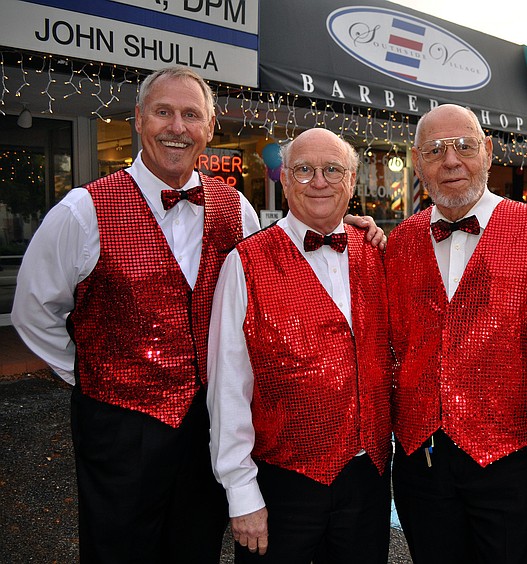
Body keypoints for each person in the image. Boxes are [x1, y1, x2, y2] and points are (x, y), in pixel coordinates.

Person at [11, 66, 383, 563]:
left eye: (191, 115)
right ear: (139, 120)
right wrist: (92, 374)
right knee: (118, 548)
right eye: (164, 112)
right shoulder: (83, 210)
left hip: (207, 419)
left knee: (197, 545)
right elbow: (34, 311)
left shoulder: (237, 208)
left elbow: (275, 271)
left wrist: (357, 226)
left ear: (209, 129)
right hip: (122, 422)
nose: (177, 127)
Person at [385, 104, 527, 564]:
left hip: (513, 461)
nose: (451, 160)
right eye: (435, 150)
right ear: (418, 162)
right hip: (422, 461)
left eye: (464, 146)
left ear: (489, 152)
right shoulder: (398, 242)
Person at [207, 128, 393, 563]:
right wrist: (241, 492)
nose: (320, 181)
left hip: (367, 478)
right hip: (282, 481)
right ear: (285, 179)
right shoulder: (245, 262)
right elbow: (229, 386)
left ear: (352, 180)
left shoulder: (379, 254)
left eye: (332, 170)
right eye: (305, 170)